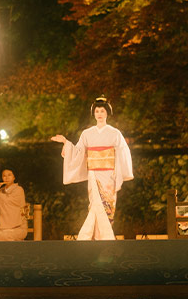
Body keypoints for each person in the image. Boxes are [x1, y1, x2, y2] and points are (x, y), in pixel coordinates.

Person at [51, 96, 133, 240]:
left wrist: (118, 172)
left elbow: (123, 152)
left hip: (109, 175)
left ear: (107, 113)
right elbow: (78, 152)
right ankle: (94, 237)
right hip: (93, 174)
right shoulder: (86, 133)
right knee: (95, 204)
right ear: (93, 114)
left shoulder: (115, 133)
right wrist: (66, 142)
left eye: (102, 111)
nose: (99, 114)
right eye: (97, 111)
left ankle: (103, 237)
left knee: (108, 206)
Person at [0, 169, 28, 241]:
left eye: (9, 175)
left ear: (14, 177)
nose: (6, 177)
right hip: (2, 228)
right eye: (4, 176)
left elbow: (10, 202)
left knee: (4, 236)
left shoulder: (19, 190)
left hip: (17, 228)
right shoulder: (0, 191)